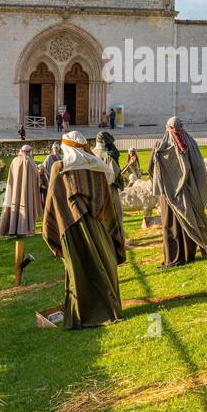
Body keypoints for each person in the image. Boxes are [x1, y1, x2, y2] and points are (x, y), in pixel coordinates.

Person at [41, 131, 125, 329]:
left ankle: (83, 314)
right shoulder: (96, 167)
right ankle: (108, 310)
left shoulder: (59, 168)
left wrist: (49, 229)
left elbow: (53, 200)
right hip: (98, 227)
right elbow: (106, 202)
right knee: (103, 265)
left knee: (78, 270)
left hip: (71, 227)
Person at [149, 117, 207, 268]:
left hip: (169, 197)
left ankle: (174, 258)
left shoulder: (160, 146)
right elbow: (199, 169)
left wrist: (164, 184)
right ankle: (189, 255)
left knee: (171, 226)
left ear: (167, 128)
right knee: (189, 221)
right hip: (189, 193)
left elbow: (151, 169)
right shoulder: (191, 144)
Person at [0, 145, 41, 237]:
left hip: (14, 191)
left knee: (14, 205)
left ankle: (13, 228)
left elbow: (11, 178)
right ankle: (25, 229)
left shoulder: (14, 161)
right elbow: (36, 175)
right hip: (26, 191)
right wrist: (41, 171)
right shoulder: (29, 162)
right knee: (26, 205)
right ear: (29, 152)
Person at [93, 131, 126, 240]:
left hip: (94, 191)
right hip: (109, 190)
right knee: (115, 214)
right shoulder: (107, 155)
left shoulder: (90, 153)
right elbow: (114, 175)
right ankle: (117, 240)